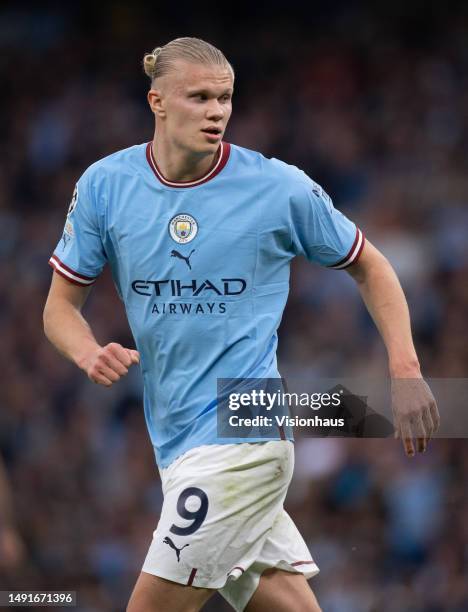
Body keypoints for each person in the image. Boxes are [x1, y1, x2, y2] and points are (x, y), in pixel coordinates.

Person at [43, 37, 440, 612]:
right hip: (176, 446)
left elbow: (371, 266)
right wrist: (86, 352)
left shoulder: (276, 187)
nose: (217, 112)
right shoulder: (106, 186)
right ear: (157, 102)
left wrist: (405, 370)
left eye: (225, 98)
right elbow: (59, 308)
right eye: (199, 97)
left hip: (243, 439)